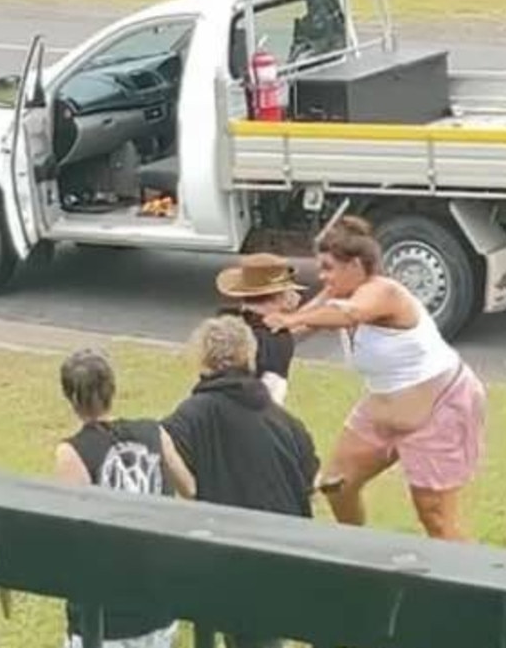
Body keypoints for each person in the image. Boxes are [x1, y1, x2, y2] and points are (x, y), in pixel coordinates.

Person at [263, 216, 487, 541]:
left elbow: (348, 314)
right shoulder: (334, 293)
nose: (322, 276)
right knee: (336, 485)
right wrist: (256, 336)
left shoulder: (384, 292)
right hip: (380, 413)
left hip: (440, 411)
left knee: (435, 516)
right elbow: (298, 330)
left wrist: (289, 317)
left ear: (355, 265)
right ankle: (358, 552)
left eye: (328, 267)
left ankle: (471, 584)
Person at [161, 316, 319, 648]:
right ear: (249, 356)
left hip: (232, 562)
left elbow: (162, 443)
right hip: (288, 560)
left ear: (204, 359)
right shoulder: (287, 423)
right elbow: (311, 483)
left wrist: (192, 489)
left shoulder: (195, 413)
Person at [52, 348, 196, 648]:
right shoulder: (154, 432)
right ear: (112, 389)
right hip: (158, 602)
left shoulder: (72, 452)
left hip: (105, 616)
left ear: (71, 398)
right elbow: (189, 488)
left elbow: (70, 529)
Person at [214, 253, 306, 406]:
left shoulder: (223, 327)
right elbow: (271, 398)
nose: (296, 295)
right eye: (289, 289)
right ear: (279, 296)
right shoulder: (275, 341)